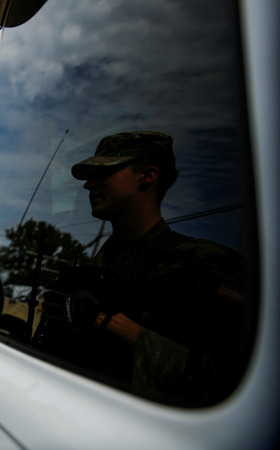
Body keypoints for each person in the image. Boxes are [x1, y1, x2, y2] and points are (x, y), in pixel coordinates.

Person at [41, 131, 250, 405]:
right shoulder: (94, 268)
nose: (89, 185)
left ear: (148, 176)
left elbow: (226, 383)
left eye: (104, 173)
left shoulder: (206, 265)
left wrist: (108, 322)